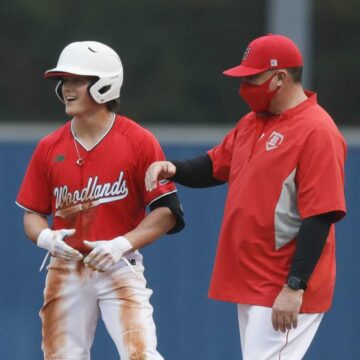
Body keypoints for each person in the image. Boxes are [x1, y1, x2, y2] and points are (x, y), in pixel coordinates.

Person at [145, 34, 346, 359]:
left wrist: (295, 287)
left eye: (252, 77)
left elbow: (321, 214)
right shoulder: (253, 122)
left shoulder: (317, 131)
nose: (244, 86)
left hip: (282, 282)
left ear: (280, 77)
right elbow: (215, 165)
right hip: (253, 277)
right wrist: (174, 169)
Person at [16, 40, 184, 360]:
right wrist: (46, 237)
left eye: (78, 80)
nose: (67, 88)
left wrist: (121, 244)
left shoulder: (138, 141)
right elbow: (32, 215)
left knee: (141, 355)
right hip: (65, 267)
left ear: (104, 85)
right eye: (64, 81)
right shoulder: (49, 147)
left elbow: (166, 212)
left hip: (119, 264)